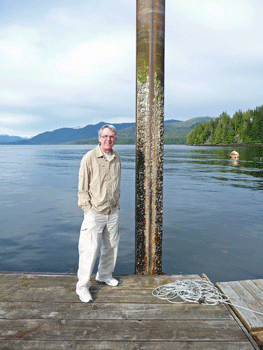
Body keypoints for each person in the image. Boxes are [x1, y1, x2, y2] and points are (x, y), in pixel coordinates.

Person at [76, 124, 121, 303]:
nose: (108, 139)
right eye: (105, 136)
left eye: (111, 137)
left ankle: (104, 275)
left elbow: (117, 183)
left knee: (111, 247)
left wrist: (116, 203)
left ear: (115, 139)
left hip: (112, 210)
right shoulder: (89, 158)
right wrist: (87, 210)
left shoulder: (117, 157)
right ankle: (82, 287)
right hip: (94, 212)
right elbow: (82, 189)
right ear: (99, 138)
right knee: (89, 250)